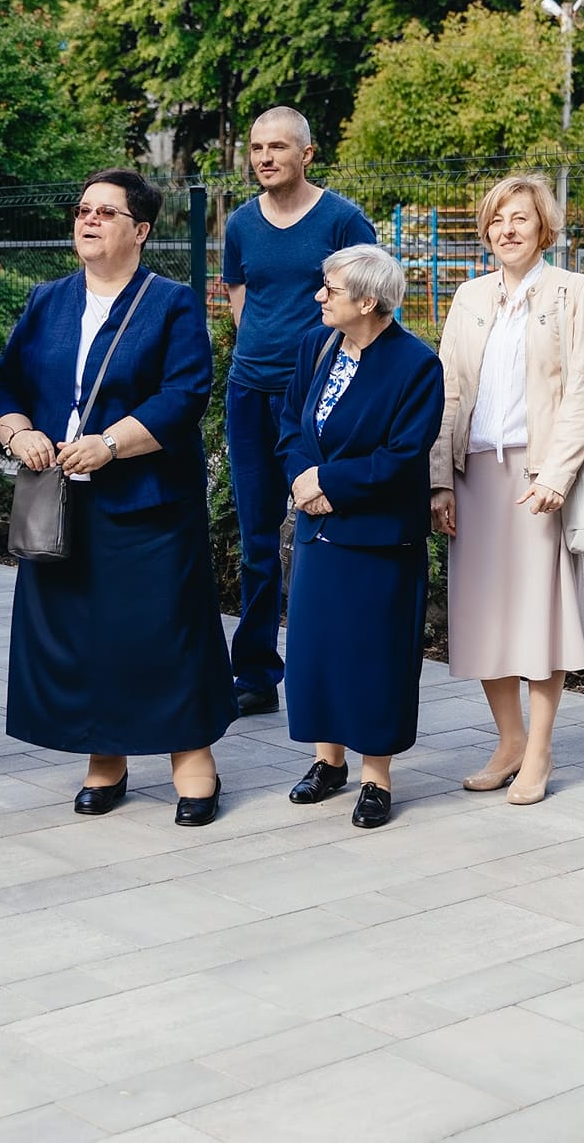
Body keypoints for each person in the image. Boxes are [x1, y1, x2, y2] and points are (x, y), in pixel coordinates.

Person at [0, 170, 234, 825]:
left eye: (106, 212)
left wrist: (111, 445)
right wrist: (19, 433)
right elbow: (5, 384)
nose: (88, 220)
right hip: (63, 504)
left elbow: (184, 395)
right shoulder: (48, 300)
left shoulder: (171, 303)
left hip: (148, 505)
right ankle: (105, 756)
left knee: (164, 632)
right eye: (82, 210)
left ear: (141, 230)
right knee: (82, 633)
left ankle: (191, 758)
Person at [429, 175, 584, 806]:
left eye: (521, 219)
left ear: (543, 229)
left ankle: (539, 750)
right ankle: (507, 741)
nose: (507, 230)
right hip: (475, 474)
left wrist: (558, 474)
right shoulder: (471, 296)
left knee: (539, 614)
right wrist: (439, 480)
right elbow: (447, 392)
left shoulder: (571, 291)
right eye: (498, 219)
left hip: (537, 477)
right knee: (485, 617)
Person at [278, 244, 444, 829]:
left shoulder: (416, 365)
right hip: (319, 529)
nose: (319, 296)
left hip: (377, 538)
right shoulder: (315, 345)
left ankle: (377, 777)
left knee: (376, 657)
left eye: (331, 289)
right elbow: (290, 422)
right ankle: (329, 762)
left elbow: (401, 457)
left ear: (369, 301)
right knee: (317, 651)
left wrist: (328, 482)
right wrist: (303, 478)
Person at [219, 107, 377, 716]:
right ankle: (256, 675)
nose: (264, 157)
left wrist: (321, 371)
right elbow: (240, 296)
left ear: (306, 154)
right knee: (257, 537)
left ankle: (334, 665)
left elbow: (367, 299)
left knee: (327, 528)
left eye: (278, 147)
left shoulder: (342, 220)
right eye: (257, 147)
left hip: (319, 395)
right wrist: (261, 355)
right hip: (250, 393)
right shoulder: (239, 224)